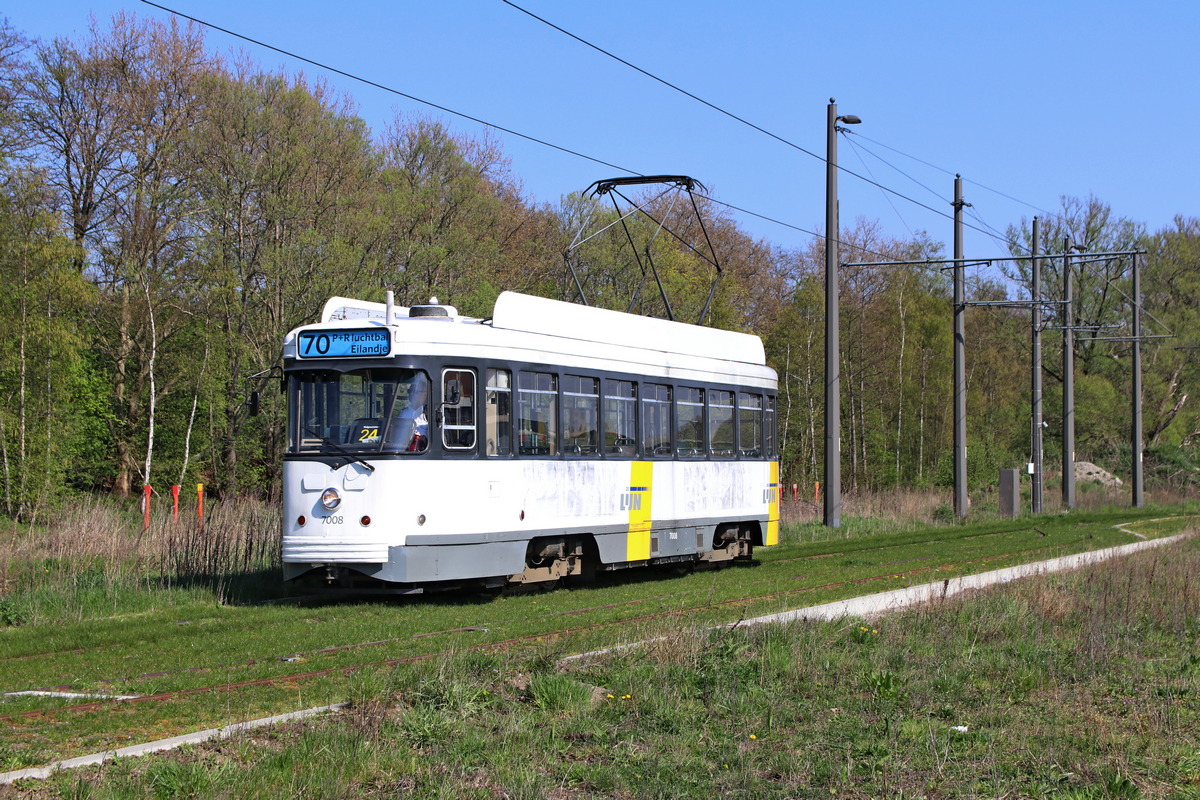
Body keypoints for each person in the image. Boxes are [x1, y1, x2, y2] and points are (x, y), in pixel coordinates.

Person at [386, 373, 429, 452]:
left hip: (423, 453)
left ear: (425, 394)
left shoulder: (430, 414)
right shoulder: (403, 414)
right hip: (403, 451)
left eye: (415, 391)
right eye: (410, 391)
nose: (412, 394)